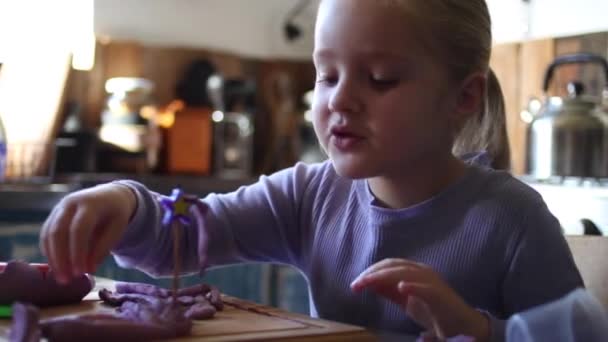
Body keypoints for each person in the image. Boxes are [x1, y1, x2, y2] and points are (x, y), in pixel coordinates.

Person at [40, 0, 583, 341]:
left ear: (463, 96)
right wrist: (124, 201)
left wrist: (475, 329)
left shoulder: (512, 219)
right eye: (326, 75)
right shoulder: (308, 194)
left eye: (380, 78)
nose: (341, 101)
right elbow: (174, 239)